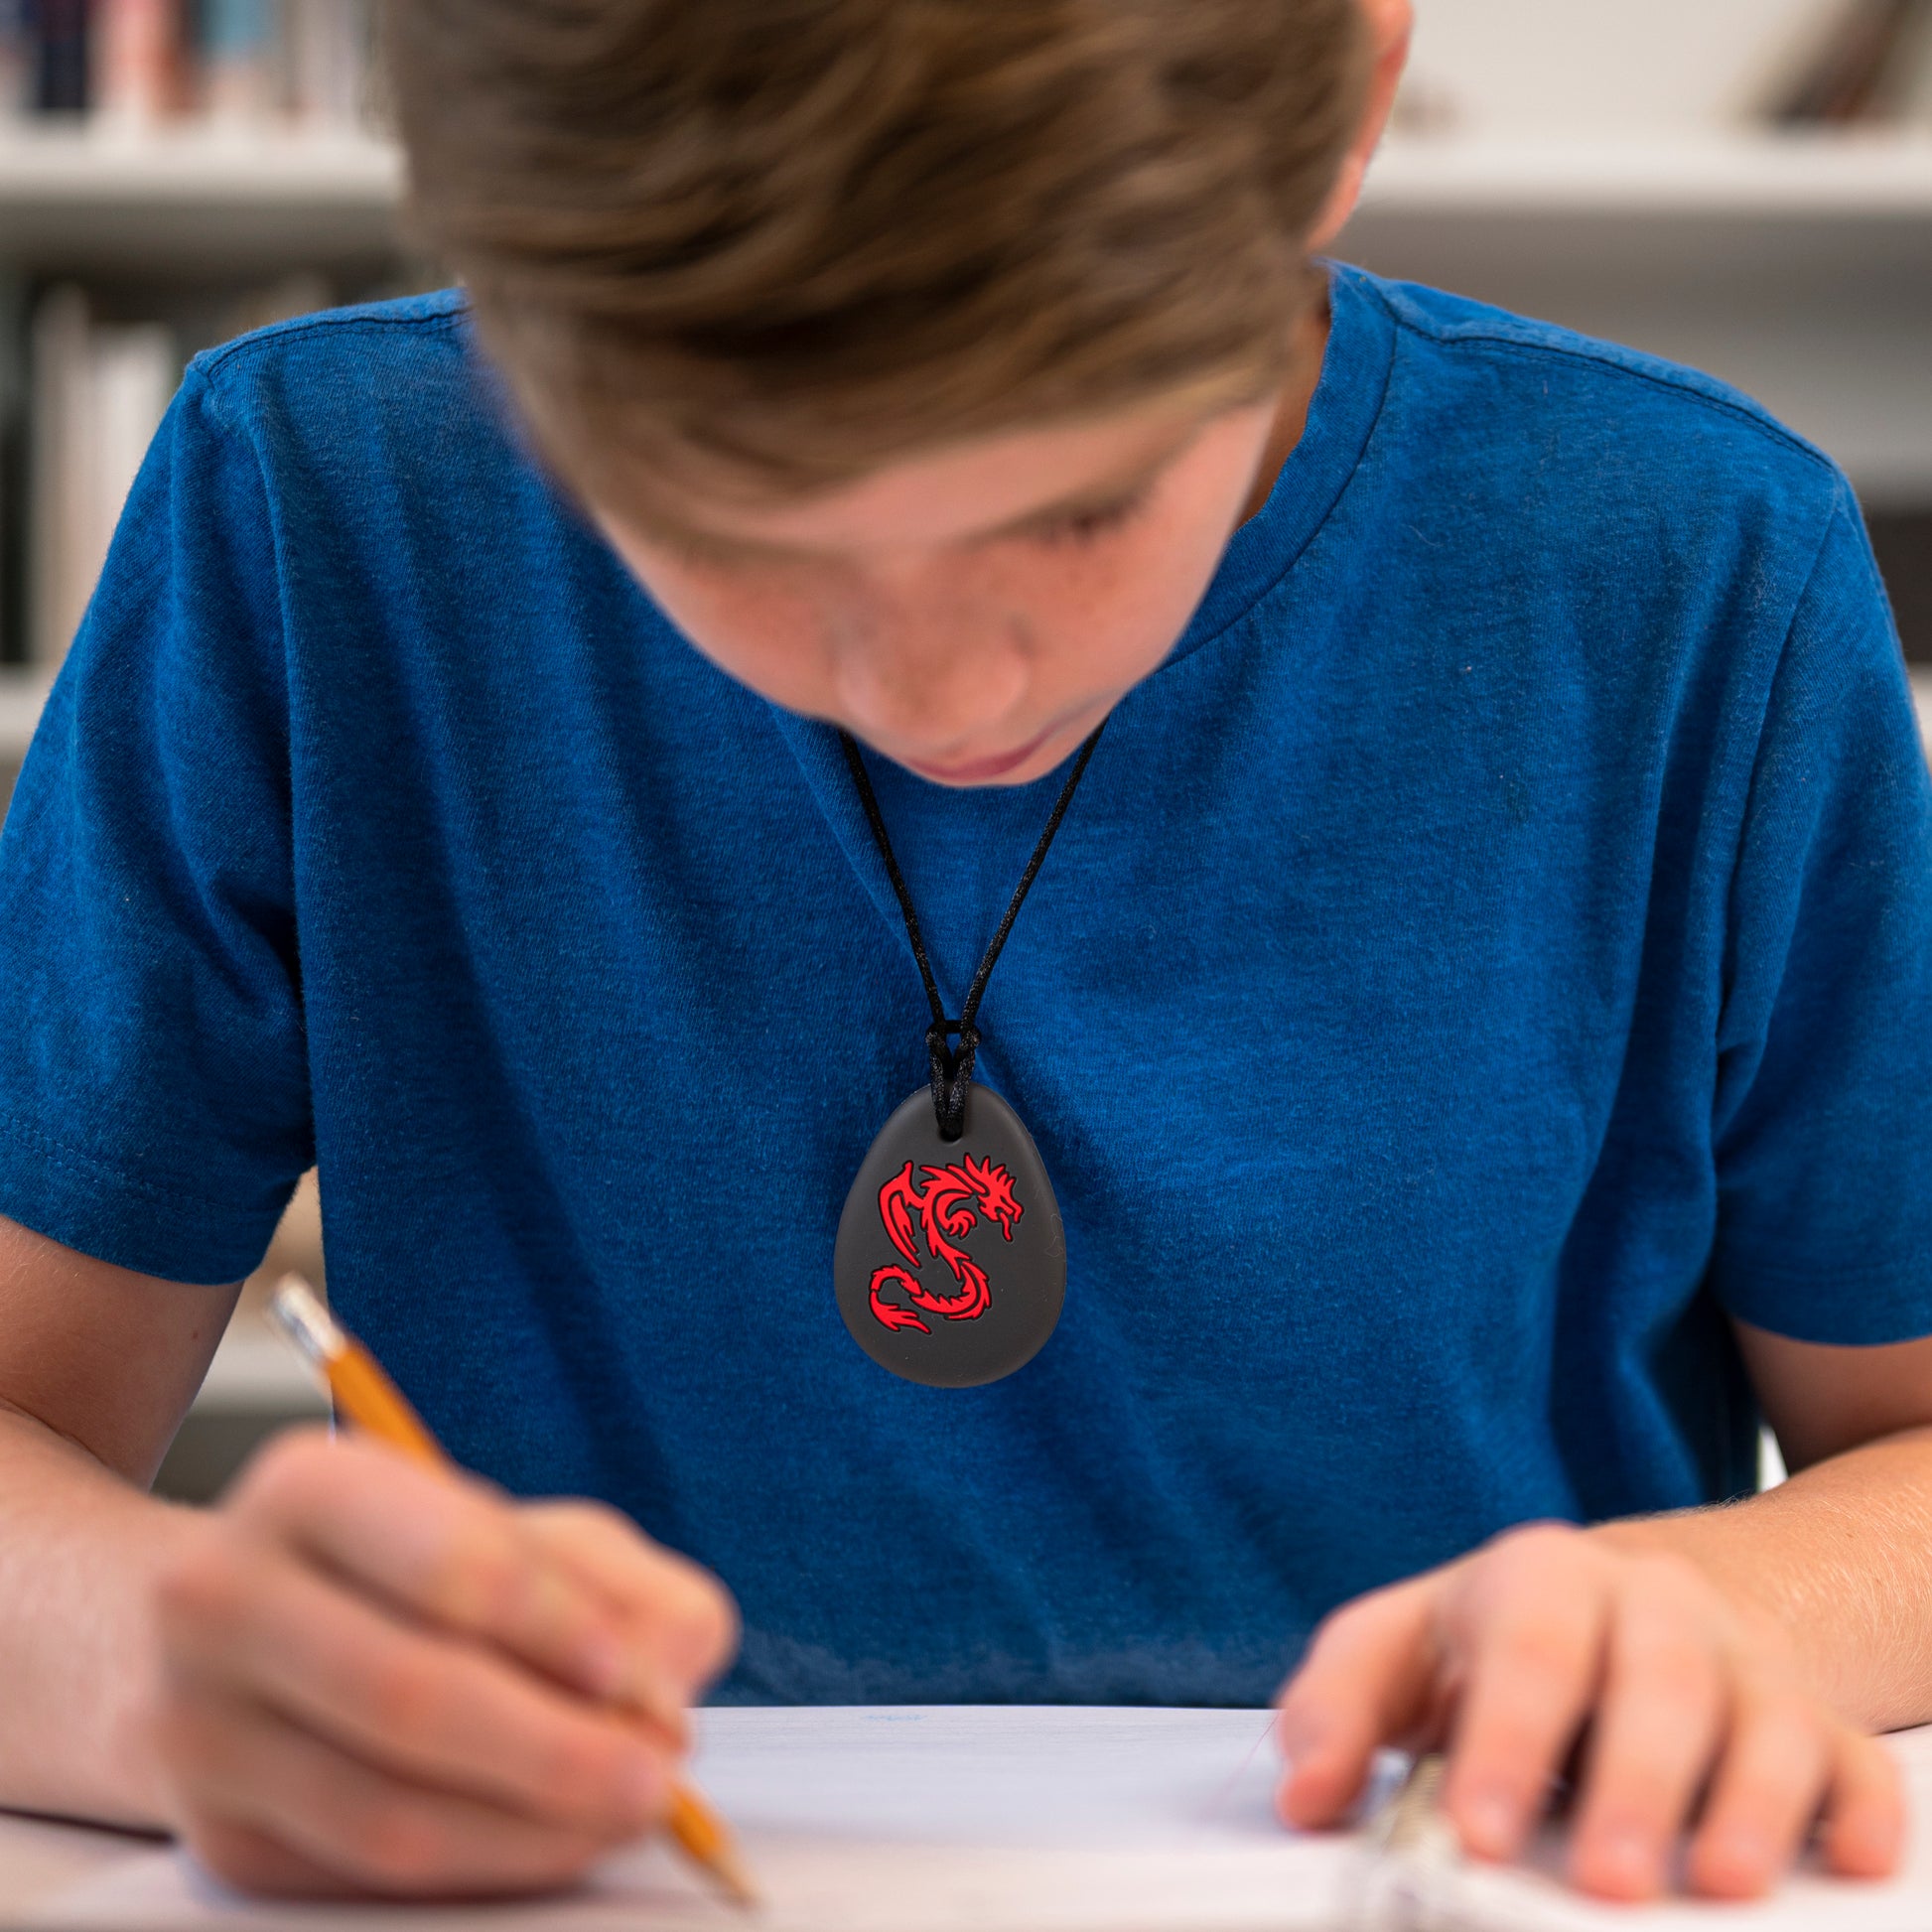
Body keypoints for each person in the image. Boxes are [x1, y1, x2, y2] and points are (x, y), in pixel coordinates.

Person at [0, 0, 1928, 1907]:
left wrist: (1716, 1610)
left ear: (1346, 96)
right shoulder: (309, 513)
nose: (942, 690)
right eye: (733, 522)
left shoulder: (1697, 574)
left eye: (1075, 503)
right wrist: (155, 1670)